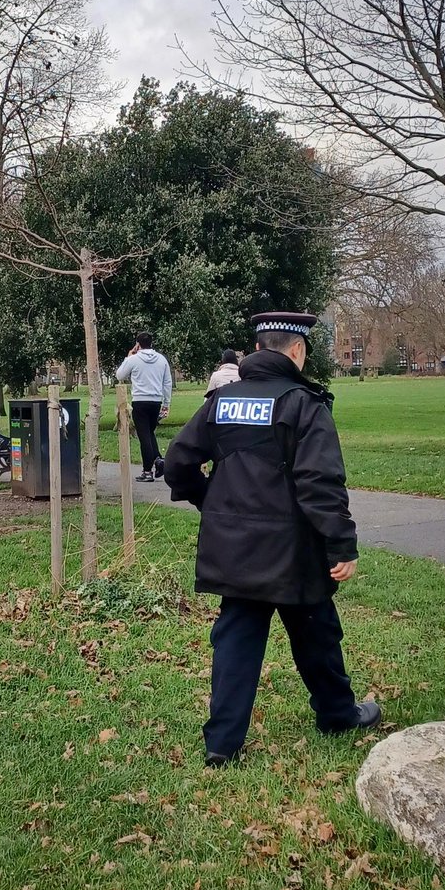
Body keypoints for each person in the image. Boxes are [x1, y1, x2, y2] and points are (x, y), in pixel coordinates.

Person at [163, 311, 381, 768]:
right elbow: (320, 482)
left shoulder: (221, 401)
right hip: (293, 551)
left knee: (237, 639)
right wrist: (341, 544)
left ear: (258, 350)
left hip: (235, 550)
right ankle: (338, 714)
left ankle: (222, 744)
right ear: (297, 351)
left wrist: (210, 503)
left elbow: (178, 463)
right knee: (317, 633)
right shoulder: (304, 404)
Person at [115, 332, 172, 482]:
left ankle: (147, 471)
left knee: (144, 437)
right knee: (149, 432)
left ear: (138, 344)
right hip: (155, 401)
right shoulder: (161, 359)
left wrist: (128, 356)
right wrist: (166, 403)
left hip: (140, 401)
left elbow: (120, 375)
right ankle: (158, 460)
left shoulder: (133, 359)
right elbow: (167, 382)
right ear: (151, 343)